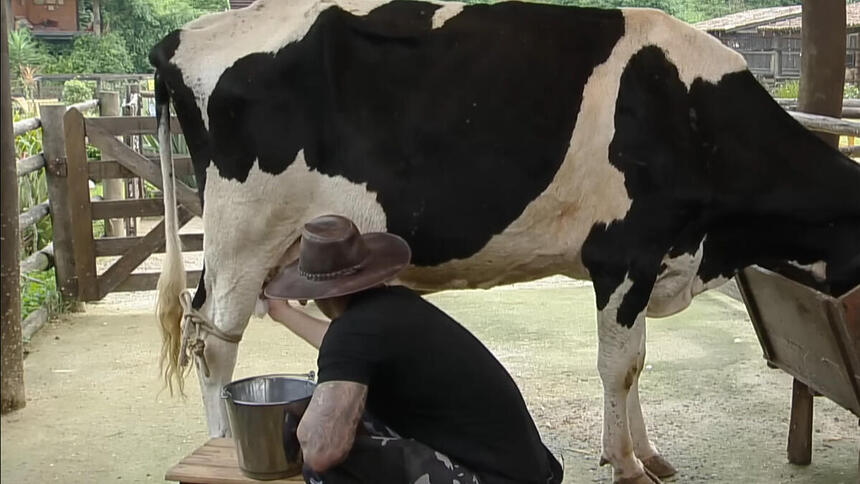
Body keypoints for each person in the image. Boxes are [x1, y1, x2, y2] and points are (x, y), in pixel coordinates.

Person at [263, 214, 563, 484]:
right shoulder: (391, 311)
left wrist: (302, 430)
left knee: (326, 466)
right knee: (359, 420)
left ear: (312, 293)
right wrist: (282, 313)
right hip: (529, 473)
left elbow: (321, 452)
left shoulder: (354, 332)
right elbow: (344, 350)